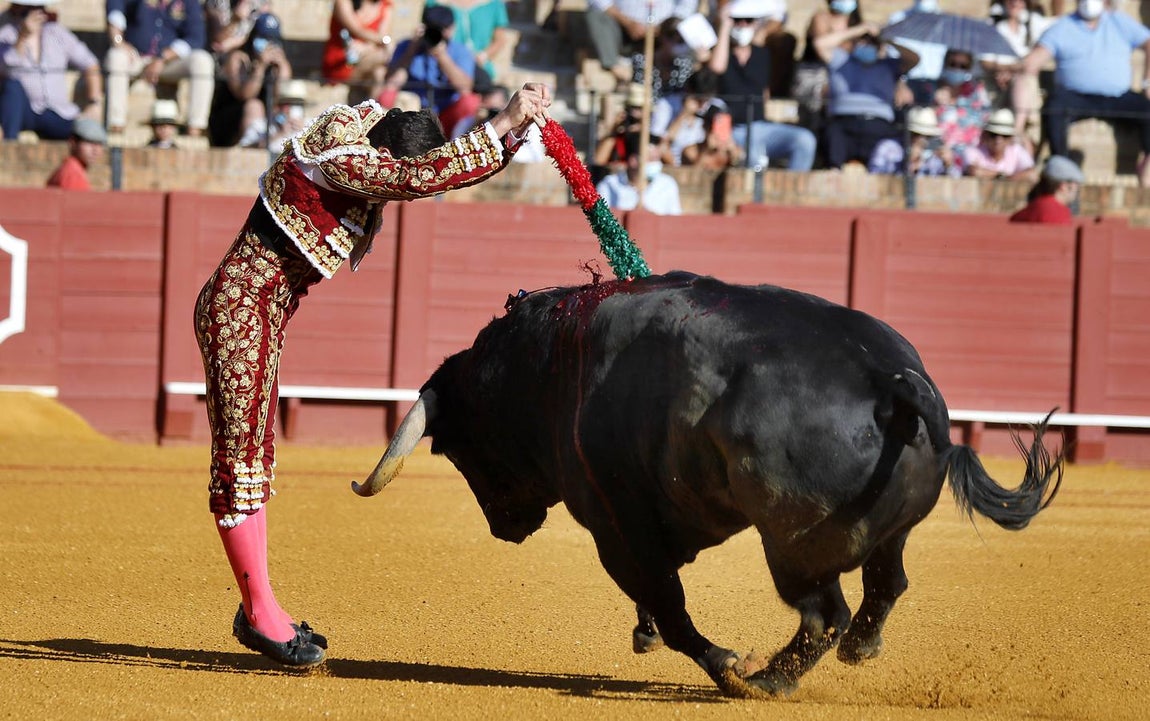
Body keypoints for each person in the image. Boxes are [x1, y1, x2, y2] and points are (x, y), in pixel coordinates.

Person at [194, 82, 551, 668]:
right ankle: (259, 612)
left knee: (255, 457)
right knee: (242, 463)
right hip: (239, 310)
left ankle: (258, 604)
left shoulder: (363, 126)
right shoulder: (346, 160)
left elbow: (429, 167)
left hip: (255, 310)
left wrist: (509, 132)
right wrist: (503, 120)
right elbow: (420, 177)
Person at [1011, 0, 1150, 186]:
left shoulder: (1119, 22)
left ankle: (1148, 168)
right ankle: (1060, 169)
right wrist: (1012, 69)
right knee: (1054, 108)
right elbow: (1033, 61)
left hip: (1118, 96)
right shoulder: (1063, 26)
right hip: (1076, 96)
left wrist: (1147, 81)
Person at [708, 4, 817, 170]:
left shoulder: (762, 54)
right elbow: (717, 67)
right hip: (733, 130)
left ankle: (790, 193)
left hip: (761, 126)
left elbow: (764, 91)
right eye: (737, 21)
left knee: (805, 140)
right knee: (753, 159)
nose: (743, 25)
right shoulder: (722, 52)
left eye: (748, 20)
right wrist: (724, 25)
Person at [815, 21, 919, 168]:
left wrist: (888, 39)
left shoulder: (888, 65)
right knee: (831, 135)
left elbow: (914, 59)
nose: (867, 44)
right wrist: (859, 29)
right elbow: (820, 44)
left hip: (879, 126)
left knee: (894, 147)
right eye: (863, 40)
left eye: (872, 42)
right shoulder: (841, 60)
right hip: (843, 124)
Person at [105, 0, 215, 138]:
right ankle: (116, 125)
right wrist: (118, 41)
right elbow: (115, 9)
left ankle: (195, 128)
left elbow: (196, 38)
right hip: (136, 58)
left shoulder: (189, 2)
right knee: (116, 56)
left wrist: (163, 58)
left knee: (203, 61)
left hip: (169, 62)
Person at [1, 0, 103, 141]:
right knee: (12, 87)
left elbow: (90, 64)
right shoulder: (6, 34)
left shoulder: (57, 33)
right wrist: (22, 37)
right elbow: (5, 69)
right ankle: (9, 146)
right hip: (24, 111)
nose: (36, 12)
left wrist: (94, 104)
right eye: (30, 8)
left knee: (87, 135)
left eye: (39, 7)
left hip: (58, 112)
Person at [379, 5, 479, 138]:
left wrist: (442, 57)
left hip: (445, 114)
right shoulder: (407, 46)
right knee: (387, 94)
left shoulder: (461, 51)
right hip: (411, 110)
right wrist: (412, 49)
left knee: (470, 102)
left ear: (451, 29)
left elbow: (465, 88)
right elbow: (392, 82)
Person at [208, 11, 292, 148]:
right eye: (264, 39)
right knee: (254, 106)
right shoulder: (238, 58)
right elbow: (245, 95)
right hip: (228, 122)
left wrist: (282, 66)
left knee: (286, 112)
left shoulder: (277, 64)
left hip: (262, 120)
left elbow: (281, 96)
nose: (268, 46)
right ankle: (251, 147)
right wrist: (260, 66)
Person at [792, 0, 862, 139]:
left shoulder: (856, 22)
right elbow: (822, 46)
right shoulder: (821, 17)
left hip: (844, 72)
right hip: (814, 72)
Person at [584, 0, 698, 83]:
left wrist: (660, 28)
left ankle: (667, 72)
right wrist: (627, 23)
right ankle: (615, 66)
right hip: (621, 28)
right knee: (595, 14)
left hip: (663, 33)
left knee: (683, 26)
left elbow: (687, 6)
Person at [426, 0, 511, 93]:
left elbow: (500, 40)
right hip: (438, 68)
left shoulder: (494, 5)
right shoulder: (435, 2)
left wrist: (482, 56)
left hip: (477, 70)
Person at [321, 0, 393, 101]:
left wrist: (366, 47)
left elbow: (382, 36)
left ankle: (371, 111)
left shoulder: (384, 5)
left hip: (367, 58)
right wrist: (385, 41)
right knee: (385, 55)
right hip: (342, 62)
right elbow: (357, 30)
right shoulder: (343, 2)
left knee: (379, 73)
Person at [595, 131, 682, 214]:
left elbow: (674, 221)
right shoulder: (608, 185)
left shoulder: (667, 184)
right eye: (651, 159)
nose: (656, 164)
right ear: (633, 161)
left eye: (657, 159)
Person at [932, 49, 992, 162]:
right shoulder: (931, 89)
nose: (957, 69)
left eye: (963, 66)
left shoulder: (977, 92)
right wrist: (933, 105)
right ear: (945, 64)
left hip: (970, 155)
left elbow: (986, 121)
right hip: (937, 152)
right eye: (953, 64)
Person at [868, 105, 959, 175]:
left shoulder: (933, 153)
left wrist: (948, 165)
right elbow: (875, 176)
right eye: (918, 134)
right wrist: (907, 165)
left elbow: (955, 182)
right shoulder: (887, 148)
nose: (923, 140)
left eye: (928, 136)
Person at [963, 106, 1037, 180]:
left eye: (1004, 136)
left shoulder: (1017, 151)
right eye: (993, 135)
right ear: (986, 135)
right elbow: (974, 171)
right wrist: (1001, 176)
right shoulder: (973, 150)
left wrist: (1004, 177)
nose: (998, 139)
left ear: (1010, 138)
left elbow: (1032, 174)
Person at [1010, 154, 1083, 224]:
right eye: (1076, 185)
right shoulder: (1058, 212)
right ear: (1063, 186)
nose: (1077, 190)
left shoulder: (1034, 206)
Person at [46, 116, 104, 189]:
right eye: (89, 142)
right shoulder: (72, 174)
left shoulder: (70, 169)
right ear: (73, 142)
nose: (95, 150)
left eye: (99, 144)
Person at [265, 77, 310, 155]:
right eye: (284, 104)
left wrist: (306, 132)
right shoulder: (264, 124)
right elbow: (250, 150)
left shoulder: (311, 124)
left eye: (295, 104)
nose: (287, 109)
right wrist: (280, 133)